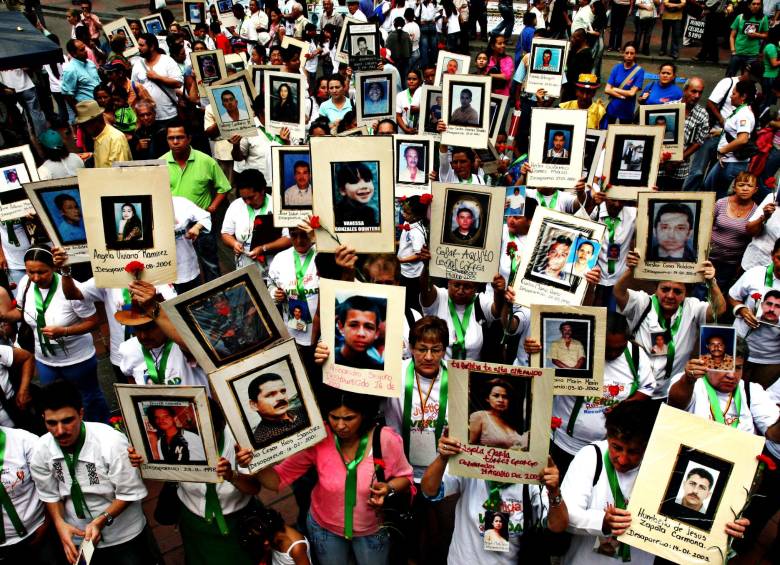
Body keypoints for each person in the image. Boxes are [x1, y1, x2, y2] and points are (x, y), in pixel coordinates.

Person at [248, 388, 413, 565]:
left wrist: (388, 488)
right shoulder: (320, 436)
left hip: (372, 529)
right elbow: (276, 481)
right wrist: (254, 462)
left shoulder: (385, 439)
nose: (340, 426)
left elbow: (405, 478)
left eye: (349, 418)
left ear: (364, 414)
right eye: (334, 417)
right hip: (325, 529)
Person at [30, 380, 153, 565]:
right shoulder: (40, 450)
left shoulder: (111, 442)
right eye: (51, 423)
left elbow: (129, 492)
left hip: (124, 534)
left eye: (67, 420)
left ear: (81, 413)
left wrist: (101, 520)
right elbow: (50, 494)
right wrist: (59, 524)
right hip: (78, 535)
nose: (60, 431)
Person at [421, 428, 566, 563]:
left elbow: (558, 526)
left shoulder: (532, 479)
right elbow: (429, 491)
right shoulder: (470, 465)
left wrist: (554, 491)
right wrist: (443, 457)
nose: (503, 451)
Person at [2, 247, 110, 423]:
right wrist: (4, 315)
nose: (36, 278)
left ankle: (103, 431)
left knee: (88, 401)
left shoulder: (70, 288)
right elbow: (21, 313)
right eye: (31, 272)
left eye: (42, 272)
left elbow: (93, 322)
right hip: (46, 361)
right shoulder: (25, 284)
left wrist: (64, 331)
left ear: (53, 267)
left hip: (77, 360)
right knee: (54, 402)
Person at [615, 250, 726, 398]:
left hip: (668, 391)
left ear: (686, 293)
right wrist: (630, 270)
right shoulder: (643, 302)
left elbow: (719, 310)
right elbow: (619, 292)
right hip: (635, 387)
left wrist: (711, 282)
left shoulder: (692, 307)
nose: (670, 295)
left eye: (677, 291)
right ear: (656, 289)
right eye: (665, 289)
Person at [164, 121, 232, 282]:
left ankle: (216, 298)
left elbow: (224, 187)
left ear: (189, 139)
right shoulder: (161, 164)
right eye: (171, 138)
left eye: (179, 137)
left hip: (201, 223)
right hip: (174, 226)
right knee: (179, 268)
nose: (175, 142)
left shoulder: (205, 161)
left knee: (210, 264)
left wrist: (213, 207)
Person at [704, 80, 757, 197]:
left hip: (732, 162)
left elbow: (743, 139)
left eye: (734, 93)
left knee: (717, 196)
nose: (731, 96)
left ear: (743, 96)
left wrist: (722, 150)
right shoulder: (740, 111)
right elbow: (735, 131)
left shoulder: (744, 114)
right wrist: (719, 132)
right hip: (726, 160)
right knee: (708, 187)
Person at [131, 33, 183, 125]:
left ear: (152, 47)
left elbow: (178, 83)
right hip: (148, 119)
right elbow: (134, 89)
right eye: (139, 45)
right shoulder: (137, 65)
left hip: (169, 115)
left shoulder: (167, 61)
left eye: (142, 45)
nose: (139, 48)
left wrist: (157, 77)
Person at [248, 373, 308, 447]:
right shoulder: (261, 440)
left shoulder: (305, 411)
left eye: (283, 391)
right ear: (254, 405)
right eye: (270, 394)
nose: (281, 397)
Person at [468, 378, 527, 449]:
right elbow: (469, 447)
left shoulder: (510, 422)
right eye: (496, 396)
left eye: (505, 397)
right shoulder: (479, 416)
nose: (501, 400)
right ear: (487, 398)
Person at [73, 99, 132, 168]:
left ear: (97, 120)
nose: (82, 128)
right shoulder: (97, 137)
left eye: (85, 125)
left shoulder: (115, 138)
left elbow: (120, 172)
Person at [335, 296, 384, 370]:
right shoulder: (326, 357)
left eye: (369, 327)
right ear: (341, 327)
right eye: (353, 325)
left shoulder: (378, 368)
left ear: (376, 332)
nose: (361, 333)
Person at [604, 42, 643, 124]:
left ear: (635, 55)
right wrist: (621, 96)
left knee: (623, 134)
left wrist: (614, 89)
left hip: (627, 110)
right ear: (623, 53)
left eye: (632, 53)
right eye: (627, 53)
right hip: (612, 107)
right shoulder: (617, 68)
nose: (629, 55)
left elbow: (632, 93)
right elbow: (607, 90)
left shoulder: (639, 71)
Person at [727, 0, 769, 76]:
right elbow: (732, 36)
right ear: (749, 5)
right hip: (737, 53)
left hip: (752, 54)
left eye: (758, 4)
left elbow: (766, 35)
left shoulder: (763, 18)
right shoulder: (740, 17)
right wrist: (733, 51)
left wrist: (756, 35)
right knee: (729, 76)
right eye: (754, 4)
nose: (756, 6)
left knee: (747, 79)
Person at [333, 162, 379, 228]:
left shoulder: (369, 212)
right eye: (354, 181)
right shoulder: (335, 213)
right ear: (342, 190)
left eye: (367, 180)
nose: (364, 186)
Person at [61, 40, 101, 109]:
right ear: (74, 54)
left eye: (84, 48)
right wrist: (78, 112)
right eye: (82, 50)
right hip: (88, 109)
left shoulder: (90, 63)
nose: (86, 51)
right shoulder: (70, 70)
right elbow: (68, 95)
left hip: (100, 104)